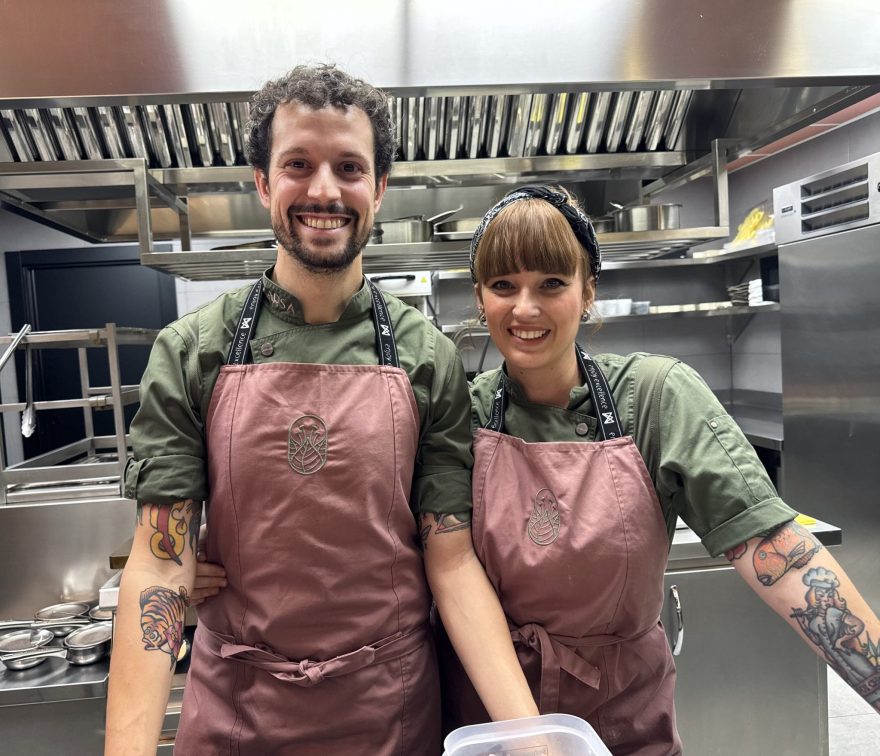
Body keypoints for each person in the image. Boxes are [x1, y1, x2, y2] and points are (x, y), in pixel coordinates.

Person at [104, 64, 537, 756]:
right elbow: (159, 565)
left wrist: (530, 737)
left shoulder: (425, 356)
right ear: (263, 182)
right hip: (237, 713)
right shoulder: (193, 350)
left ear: (380, 189)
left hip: (389, 716)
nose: (325, 190)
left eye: (350, 167)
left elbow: (450, 560)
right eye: (298, 164)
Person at [428, 185, 880, 754]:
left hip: (623, 720)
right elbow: (449, 570)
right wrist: (529, 739)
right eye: (503, 286)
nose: (525, 308)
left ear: (588, 290)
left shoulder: (657, 396)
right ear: (480, 298)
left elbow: (776, 551)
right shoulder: (460, 417)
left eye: (551, 283)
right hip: (494, 723)